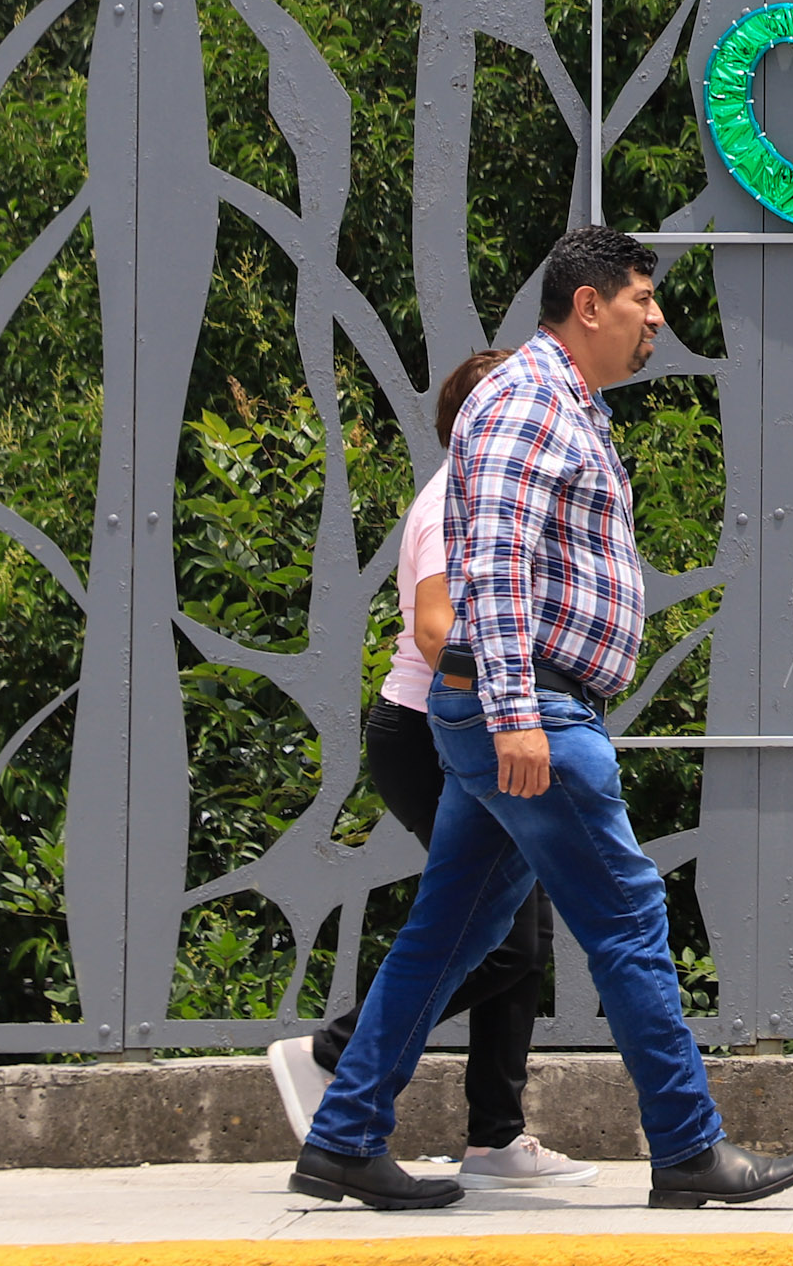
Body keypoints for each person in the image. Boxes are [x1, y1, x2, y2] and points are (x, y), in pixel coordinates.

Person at [289, 229, 793, 1212]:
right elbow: (490, 566)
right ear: (588, 305)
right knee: (627, 915)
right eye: (641, 300)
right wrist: (517, 714)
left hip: (519, 703)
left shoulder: (561, 402)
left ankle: (345, 1134)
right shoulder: (529, 402)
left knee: (451, 928)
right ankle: (691, 1146)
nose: (655, 318)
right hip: (527, 705)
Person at [266, 349, 594, 1188]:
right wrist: (521, 683)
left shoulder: (484, 494)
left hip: (467, 725)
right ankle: (333, 1056)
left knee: (520, 936)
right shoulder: (449, 500)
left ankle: (493, 1137)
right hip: (431, 732)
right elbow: (434, 628)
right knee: (506, 941)